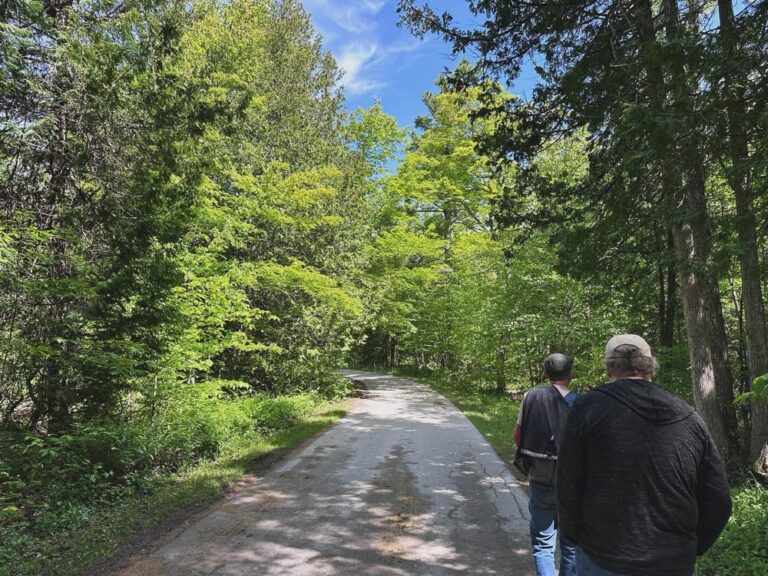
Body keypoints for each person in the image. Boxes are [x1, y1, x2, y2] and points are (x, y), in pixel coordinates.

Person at [556, 334, 732, 576]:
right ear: (651, 367)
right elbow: (718, 498)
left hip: (604, 556)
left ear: (609, 369)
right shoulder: (688, 416)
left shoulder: (588, 408)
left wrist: (574, 535)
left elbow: (567, 483)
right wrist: (689, 547)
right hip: (673, 561)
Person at [514, 352, 579, 576]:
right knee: (570, 545)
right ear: (571, 374)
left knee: (542, 544)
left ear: (545, 373)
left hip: (541, 477)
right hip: (572, 483)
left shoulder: (531, 396)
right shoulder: (581, 403)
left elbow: (517, 436)